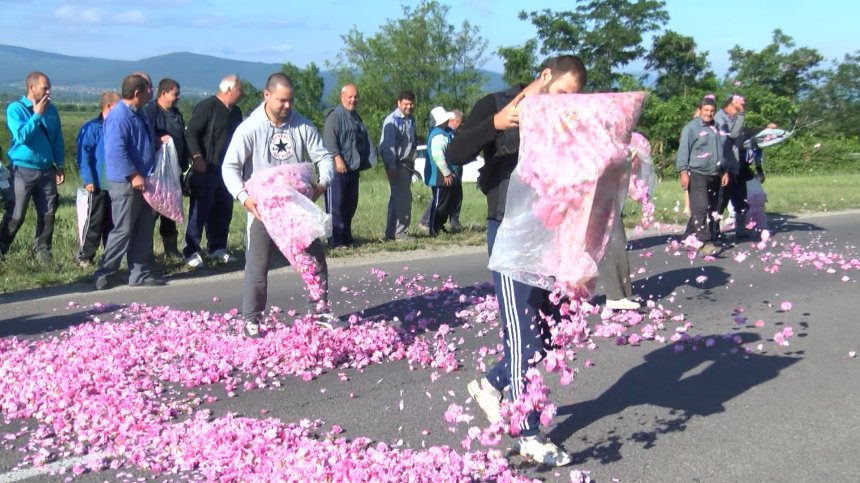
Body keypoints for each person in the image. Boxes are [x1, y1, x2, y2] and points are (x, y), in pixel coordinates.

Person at [447, 55, 588, 467]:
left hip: (550, 235)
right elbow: (455, 151)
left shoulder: (567, 119)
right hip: (509, 236)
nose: (566, 103)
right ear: (545, 76)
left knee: (547, 335)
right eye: (562, 93)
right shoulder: (497, 103)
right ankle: (528, 435)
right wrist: (495, 125)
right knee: (522, 338)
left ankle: (490, 385)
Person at [222, 73, 335, 338]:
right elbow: (230, 167)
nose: (287, 106)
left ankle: (319, 312)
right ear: (266, 95)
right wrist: (244, 197)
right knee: (258, 265)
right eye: (282, 100)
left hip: (296, 208)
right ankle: (252, 319)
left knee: (315, 259)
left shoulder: (302, 126)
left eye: (290, 101)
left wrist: (322, 183)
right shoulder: (250, 128)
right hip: (262, 210)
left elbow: (323, 156)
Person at [92, 73, 164, 289]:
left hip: (143, 181)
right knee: (123, 229)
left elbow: (140, 141)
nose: (151, 92)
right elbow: (116, 151)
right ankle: (104, 271)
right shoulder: (120, 116)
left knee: (143, 227)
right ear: (136, 93)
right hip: (126, 182)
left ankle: (139, 273)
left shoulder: (138, 113)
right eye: (148, 89)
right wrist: (133, 175)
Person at [0, 72, 65, 262]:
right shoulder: (16, 109)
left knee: (48, 213)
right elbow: (22, 136)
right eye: (45, 87)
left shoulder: (52, 111)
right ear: (31, 88)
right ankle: (2, 246)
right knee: (16, 213)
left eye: (49, 87)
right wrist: (36, 115)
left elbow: (57, 139)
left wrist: (59, 164)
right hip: (22, 169)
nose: (48, 91)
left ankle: (42, 251)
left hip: (46, 170)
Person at [183, 74, 244, 267]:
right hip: (207, 167)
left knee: (223, 210)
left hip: (228, 169)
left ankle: (217, 248)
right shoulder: (207, 106)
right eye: (240, 91)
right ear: (229, 90)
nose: (242, 95)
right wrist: (197, 157)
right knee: (199, 211)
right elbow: (191, 132)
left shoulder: (236, 112)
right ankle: (191, 250)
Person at [677, 95, 729, 257]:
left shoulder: (717, 127)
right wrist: (683, 172)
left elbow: (721, 151)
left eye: (712, 111)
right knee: (700, 206)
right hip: (697, 172)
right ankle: (705, 242)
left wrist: (724, 171)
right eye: (706, 110)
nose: (709, 113)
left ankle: (688, 236)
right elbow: (683, 151)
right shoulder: (691, 128)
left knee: (712, 208)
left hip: (715, 173)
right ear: (700, 110)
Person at [322, 83, 370, 249]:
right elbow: (329, 139)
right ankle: (334, 241)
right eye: (350, 96)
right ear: (342, 97)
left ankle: (346, 237)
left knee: (350, 205)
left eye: (356, 96)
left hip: (352, 168)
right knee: (335, 207)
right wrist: (337, 158)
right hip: (337, 170)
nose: (353, 99)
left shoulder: (356, 117)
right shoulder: (335, 116)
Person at [144, 78, 188, 258]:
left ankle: (171, 250)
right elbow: (146, 135)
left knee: (170, 210)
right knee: (152, 212)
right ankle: (145, 251)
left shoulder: (176, 113)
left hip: (174, 171)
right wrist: (157, 140)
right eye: (175, 93)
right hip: (157, 172)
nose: (178, 97)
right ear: (163, 93)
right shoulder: (151, 111)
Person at [75, 90, 120, 267]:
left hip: (115, 184)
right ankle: (85, 256)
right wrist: (88, 180)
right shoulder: (93, 128)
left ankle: (110, 256)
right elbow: (83, 156)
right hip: (98, 183)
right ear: (108, 106)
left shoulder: (118, 126)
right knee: (95, 221)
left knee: (113, 222)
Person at [379, 90, 417, 242]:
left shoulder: (410, 119)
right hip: (397, 165)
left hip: (407, 165)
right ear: (399, 103)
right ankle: (400, 233)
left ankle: (391, 233)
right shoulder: (392, 120)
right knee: (403, 200)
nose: (409, 106)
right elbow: (387, 146)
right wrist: (391, 167)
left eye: (411, 103)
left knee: (396, 199)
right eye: (406, 104)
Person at [420, 106, 462, 236]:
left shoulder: (443, 133)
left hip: (443, 174)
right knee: (439, 203)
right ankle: (432, 228)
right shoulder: (438, 135)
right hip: (439, 175)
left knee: (445, 202)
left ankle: (438, 225)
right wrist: (447, 173)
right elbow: (438, 157)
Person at [714, 94, 747, 240]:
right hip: (724, 166)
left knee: (739, 197)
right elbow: (732, 134)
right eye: (738, 106)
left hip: (735, 164)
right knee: (722, 199)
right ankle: (715, 230)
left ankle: (741, 229)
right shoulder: (719, 118)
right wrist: (741, 114)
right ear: (730, 104)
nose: (740, 109)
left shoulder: (735, 118)